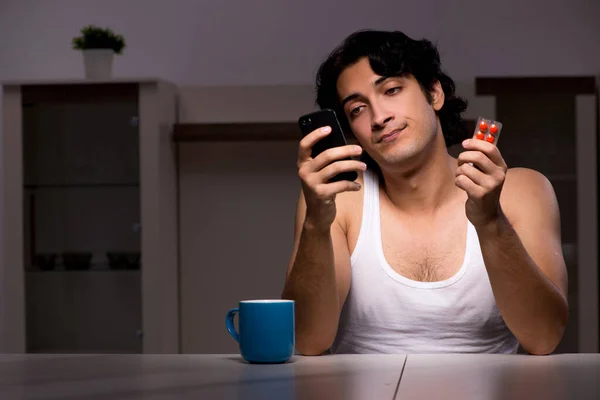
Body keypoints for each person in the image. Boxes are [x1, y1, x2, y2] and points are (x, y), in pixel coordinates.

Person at [281, 29, 568, 356]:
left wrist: (490, 222)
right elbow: (307, 341)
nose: (379, 117)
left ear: (434, 93)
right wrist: (316, 224)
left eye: (391, 90)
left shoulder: (521, 190)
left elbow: (545, 337)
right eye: (357, 109)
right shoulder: (339, 200)